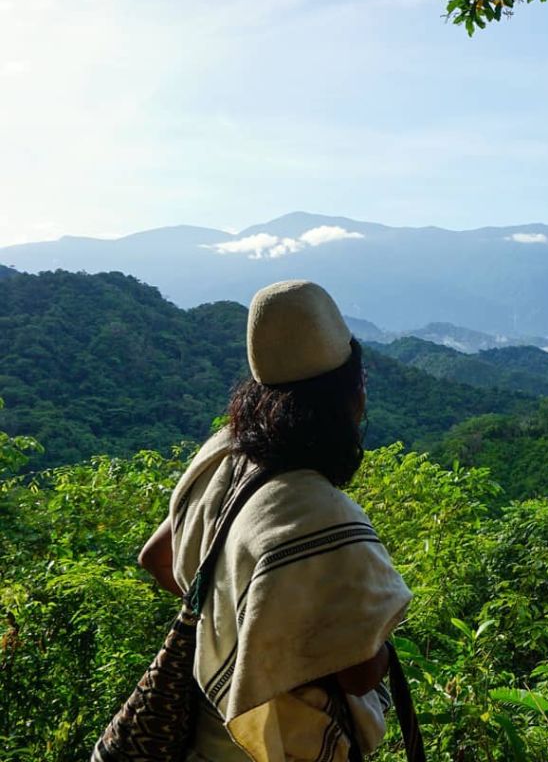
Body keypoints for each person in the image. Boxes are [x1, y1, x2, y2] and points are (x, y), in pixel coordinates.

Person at [137, 280, 412, 762]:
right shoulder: (320, 513)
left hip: (202, 737)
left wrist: (242, 629)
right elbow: (359, 672)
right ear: (351, 395)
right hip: (280, 748)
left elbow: (158, 559)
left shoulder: (224, 456)